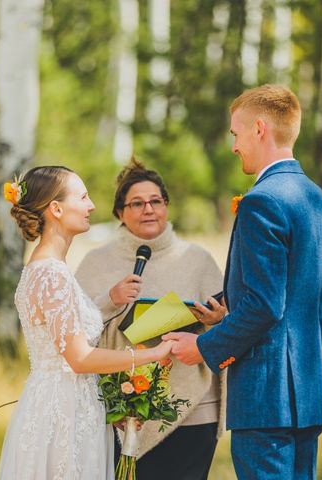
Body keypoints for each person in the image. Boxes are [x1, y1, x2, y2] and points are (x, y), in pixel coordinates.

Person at [164, 84, 322, 480]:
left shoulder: (262, 201)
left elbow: (265, 305)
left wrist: (205, 346)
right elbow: (315, 304)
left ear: (259, 129)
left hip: (265, 397)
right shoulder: (316, 199)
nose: (233, 146)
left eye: (235, 134)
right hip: (306, 391)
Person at [0, 166, 173, 480]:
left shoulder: (47, 267)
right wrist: (151, 355)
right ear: (56, 209)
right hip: (64, 412)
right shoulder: (52, 273)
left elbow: (63, 330)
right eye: (83, 196)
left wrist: (110, 300)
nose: (91, 206)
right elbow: (80, 358)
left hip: (66, 402)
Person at [75, 158, 227, 480]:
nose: (148, 209)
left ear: (167, 206)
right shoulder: (96, 263)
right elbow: (75, 333)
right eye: (137, 203)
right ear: (120, 212)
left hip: (193, 409)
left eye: (156, 201)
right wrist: (109, 301)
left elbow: (229, 327)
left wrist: (216, 318)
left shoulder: (197, 259)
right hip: (121, 409)